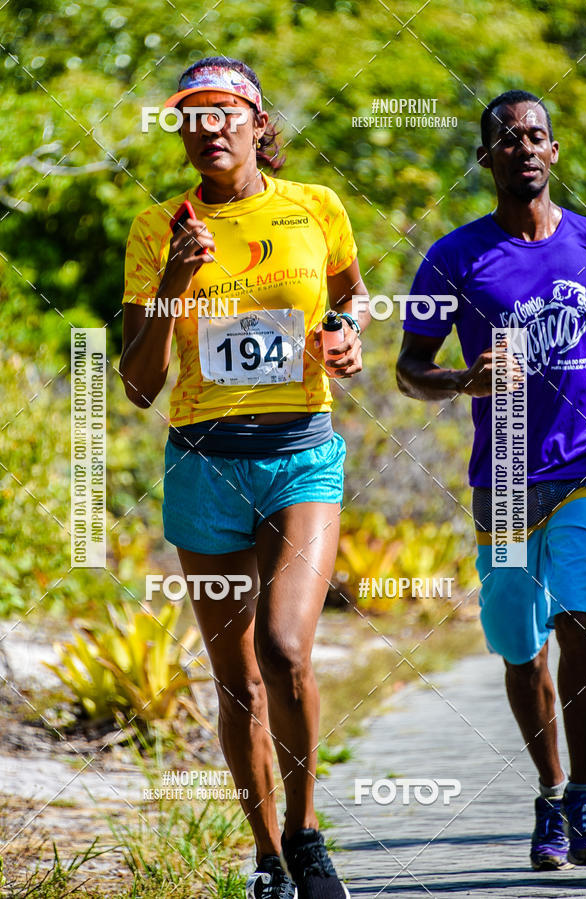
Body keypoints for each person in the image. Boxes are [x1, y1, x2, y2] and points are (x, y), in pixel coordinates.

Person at [120, 57, 370, 899]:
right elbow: (138, 381)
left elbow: (351, 298)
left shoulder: (315, 208)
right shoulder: (159, 227)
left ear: (260, 123)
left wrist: (349, 334)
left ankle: (307, 835)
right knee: (238, 681)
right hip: (202, 460)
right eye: (190, 116)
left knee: (286, 645)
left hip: (301, 450)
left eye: (225, 112)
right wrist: (174, 283)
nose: (208, 127)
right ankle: (265, 856)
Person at [396, 90, 586, 870]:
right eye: (507, 138)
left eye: (537, 136)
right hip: (506, 477)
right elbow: (409, 369)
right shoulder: (451, 258)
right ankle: (549, 794)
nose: (524, 147)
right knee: (523, 644)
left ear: (555, 153)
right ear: (487, 159)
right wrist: (461, 381)